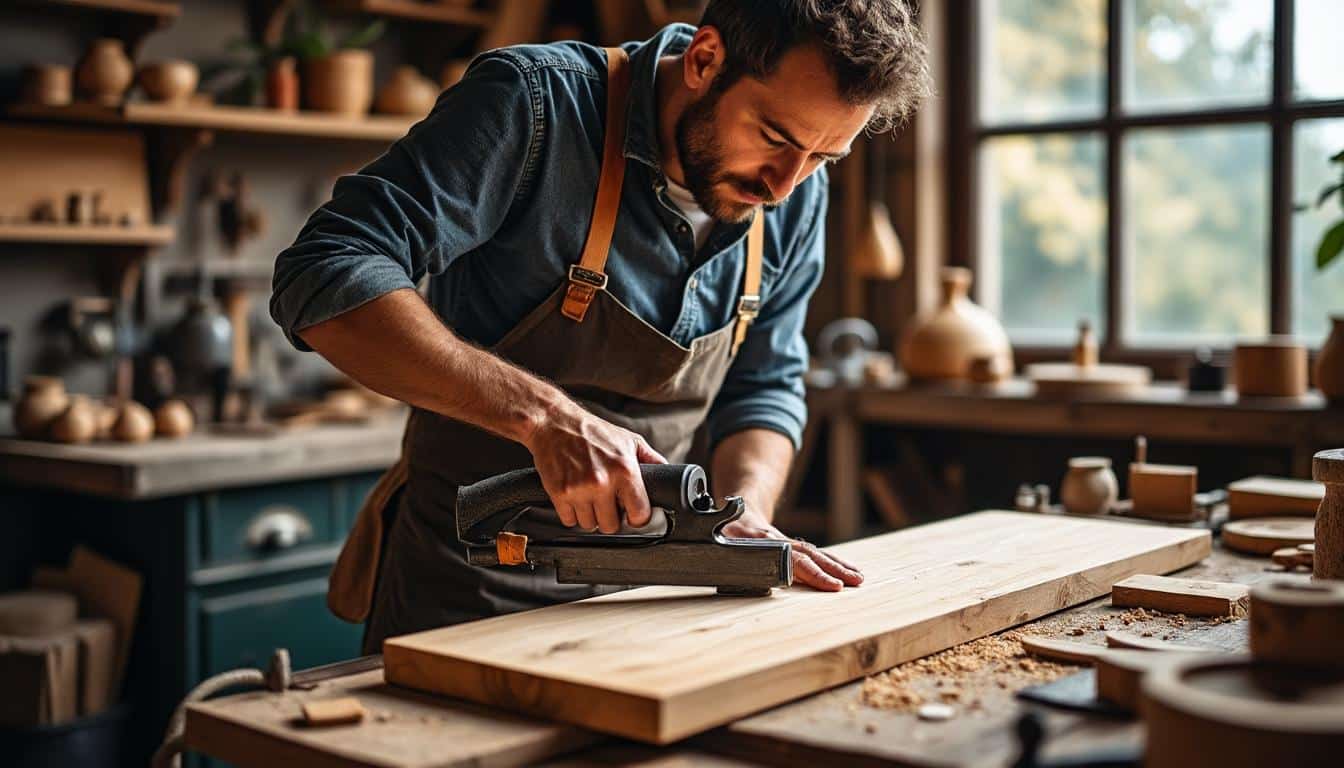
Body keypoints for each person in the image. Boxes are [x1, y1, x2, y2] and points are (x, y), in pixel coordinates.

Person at [269, 0, 931, 651]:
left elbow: (766, 381)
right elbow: (326, 270)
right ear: (703, 59)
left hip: (649, 607)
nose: (785, 186)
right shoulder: (535, 106)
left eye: (822, 157)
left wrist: (740, 515)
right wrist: (545, 419)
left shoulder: (793, 193)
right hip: (467, 589)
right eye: (775, 138)